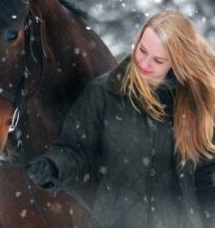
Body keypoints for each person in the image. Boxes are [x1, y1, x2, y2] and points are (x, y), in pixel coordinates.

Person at [25, 11, 215, 228]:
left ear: (177, 62)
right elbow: (76, 150)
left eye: (158, 60)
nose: (144, 63)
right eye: (142, 50)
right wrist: (53, 166)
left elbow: (208, 174)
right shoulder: (104, 92)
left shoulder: (198, 104)